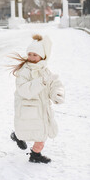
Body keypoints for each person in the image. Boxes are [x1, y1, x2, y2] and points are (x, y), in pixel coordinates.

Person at [10, 34, 65, 163]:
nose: (31, 58)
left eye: (35, 55)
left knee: (41, 136)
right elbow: (24, 90)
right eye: (30, 54)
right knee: (28, 129)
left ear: (42, 56)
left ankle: (35, 155)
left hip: (42, 109)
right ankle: (18, 136)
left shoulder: (45, 70)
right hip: (27, 108)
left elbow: (54, 84)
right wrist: (42, 82)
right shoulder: (24, 71)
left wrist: (57, 93)